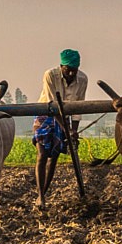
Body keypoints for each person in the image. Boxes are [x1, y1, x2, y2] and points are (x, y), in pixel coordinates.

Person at [34, 49, 88, 209]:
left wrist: (74, 131)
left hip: (65, 119)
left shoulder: (83, 79)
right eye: (68, 69)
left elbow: (78, 107)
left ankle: (44, 193)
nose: (71, 73)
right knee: (42, 154)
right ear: (61, 66)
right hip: (46, 113)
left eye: (74, 70)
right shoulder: (50, 75)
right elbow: (53, 105)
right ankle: (40, 195)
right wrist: (67, 129)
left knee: (54, 156)